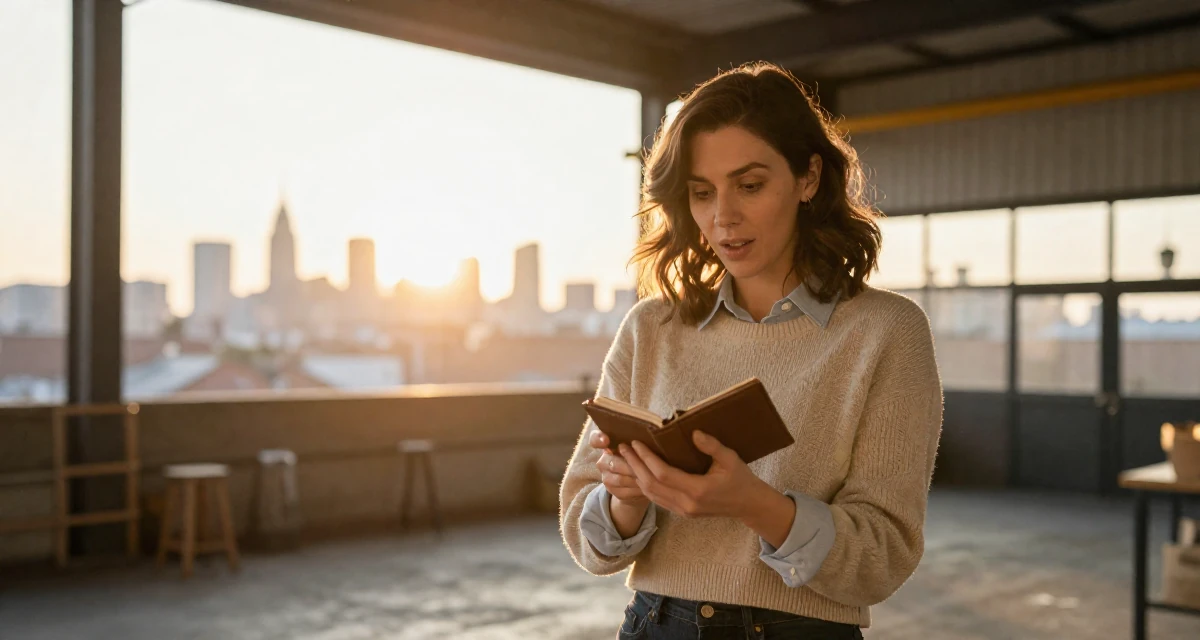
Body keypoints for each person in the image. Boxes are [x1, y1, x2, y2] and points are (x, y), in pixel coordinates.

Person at [558, 62, 943, 639]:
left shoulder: (887, 331)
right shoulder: (650, 327)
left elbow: (883, 557)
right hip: (654, 625)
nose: (723, 217)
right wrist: (627, 500)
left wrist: (754, 504)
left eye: (750, 185)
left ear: (808, 178)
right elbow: (589, 541)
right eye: (701, 192)